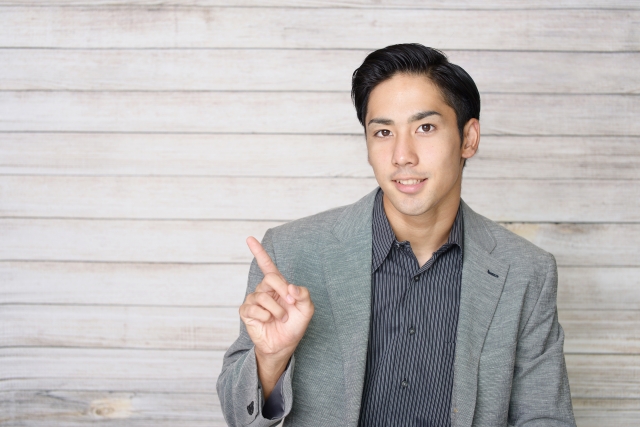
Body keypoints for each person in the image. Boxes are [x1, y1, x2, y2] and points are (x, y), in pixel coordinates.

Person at [217, 43, 576, 427]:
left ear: (468, 138)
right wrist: (271, 360)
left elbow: (545, 416)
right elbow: (239, 418)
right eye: (383, 131)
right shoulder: (291, 252)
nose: (402, 155)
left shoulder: (526, 272)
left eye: (425, 127)